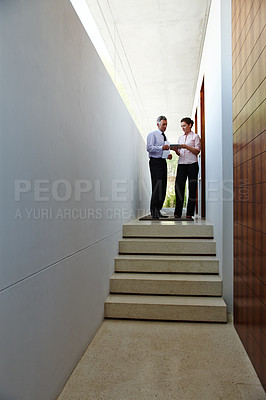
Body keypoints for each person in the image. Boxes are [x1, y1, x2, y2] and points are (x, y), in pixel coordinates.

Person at [173, 117, 201, 219]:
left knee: (192, 188)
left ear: (190, 125)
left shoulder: (196, 137)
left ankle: (189, 213)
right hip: (182, 164)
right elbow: (180, 153)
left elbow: (197, 151)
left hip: (192, 164)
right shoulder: (180, 138)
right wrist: (176, 151)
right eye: (181, 126)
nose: (183, 128)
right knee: (179, 187)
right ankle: (178, 212)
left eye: (184, 125)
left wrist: (186, 146)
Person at [147, 116, 172, 219]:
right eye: (163, 124)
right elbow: (149, 148)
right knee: (157, 185)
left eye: (166, 124)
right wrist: (161, 147)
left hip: (162, 161)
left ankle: (158, 210)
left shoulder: (164, 136)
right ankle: (154, 211)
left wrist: (167, 155)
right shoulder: (152, 134)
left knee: (163, 186)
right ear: (158, 124)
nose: (165, 126)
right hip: (155, 162)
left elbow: (163, 150)